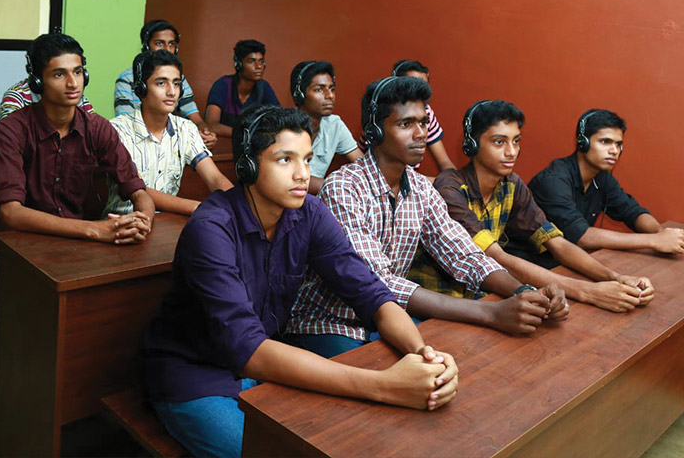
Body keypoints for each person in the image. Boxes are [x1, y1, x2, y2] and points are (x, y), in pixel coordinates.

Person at [143, 105, 458, 458]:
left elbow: (371, 293)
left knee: (352, 438)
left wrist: (423, 356)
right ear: (248, 165)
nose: (302, 174)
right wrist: (385, 386)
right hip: (194, 377)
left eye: (307, 160)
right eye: (285, 160)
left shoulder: (309, 212)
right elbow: (247, 348)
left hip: (261, 364)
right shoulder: (211, 228)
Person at [286, 78, 568, 360]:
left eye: (423, 122)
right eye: (406, 124)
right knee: (396, 374)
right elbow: (376, 282)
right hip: (330, 322)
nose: (421, 133)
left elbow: (464, 255)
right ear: (375, 131)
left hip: (389, 317)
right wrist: (490, 312)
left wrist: (525, 291)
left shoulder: (421, 188)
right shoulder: (343, 187)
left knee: (464, 358)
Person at [426, 100, 653, 314]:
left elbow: (556, 243)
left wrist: (615, 278)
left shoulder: (511, 184)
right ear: (472, 145)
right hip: (440, 302)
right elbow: (495, 257)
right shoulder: (450, 189)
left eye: (516, 141)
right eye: (499, 142)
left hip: (484, 295)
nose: (511, 151)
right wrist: (587, 291)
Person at [0, 33, 154, 243]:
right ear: (37, 82)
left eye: (77, 72)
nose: (73, 83)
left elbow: (138, 191)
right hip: (23, 243)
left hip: (76, 242)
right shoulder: (11, 129)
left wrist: (143, 222)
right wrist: (94, 229)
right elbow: (10, 213)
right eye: (59, 74)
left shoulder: (97, 127)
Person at [529, 108, 684, 255]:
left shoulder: (602, 178)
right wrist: (654, 241)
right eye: (605, 142)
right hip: (535, 263)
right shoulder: (554, 181)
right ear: (583, 143)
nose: (614, 151)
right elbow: (582, 236)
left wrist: (660, 233)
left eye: (618, 144)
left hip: (570, 260)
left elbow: (632, 212)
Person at [104, 49, 232, 217]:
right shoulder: (118, 130)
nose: (172, 92)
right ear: (141, 89)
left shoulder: (185, 128)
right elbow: (139, 189)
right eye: (161, 83)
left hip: (167, 224)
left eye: (176, 84)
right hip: (123, 223)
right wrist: (201, 208)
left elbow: (214, 177)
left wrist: (238, 206)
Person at [114, 19, 216, 148]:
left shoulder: (179, 79)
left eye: (171, 44)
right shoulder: (127, 79)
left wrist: (204, 132)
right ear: (146, 46)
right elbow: (125, 124)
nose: (167, 49)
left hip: (170, 143)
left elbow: (195, 118)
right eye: (159, 43)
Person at [289, 60, 362, 194]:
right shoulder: (285, 129)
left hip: (318, 197)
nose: (330, 96)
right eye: (319, 90)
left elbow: (363, 165)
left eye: (332, 89)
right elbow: (290, 178)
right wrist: (336, 187)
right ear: (300, 95)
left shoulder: (334, 124)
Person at [204, 39, 279, 137]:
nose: (259, 66)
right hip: (222, 144)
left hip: (251, 145)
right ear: (239, 65)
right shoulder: (223, 85)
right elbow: (211, 125)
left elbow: (279, 120)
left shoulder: (263, 87)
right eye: (251, 61)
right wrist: (246, 136)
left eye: (261, 61)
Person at [391, 59, 456, 173]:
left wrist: (454, 181)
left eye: (423, 87)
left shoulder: (427, 112)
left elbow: (444, 161)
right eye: (412, 86)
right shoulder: (384, 112)